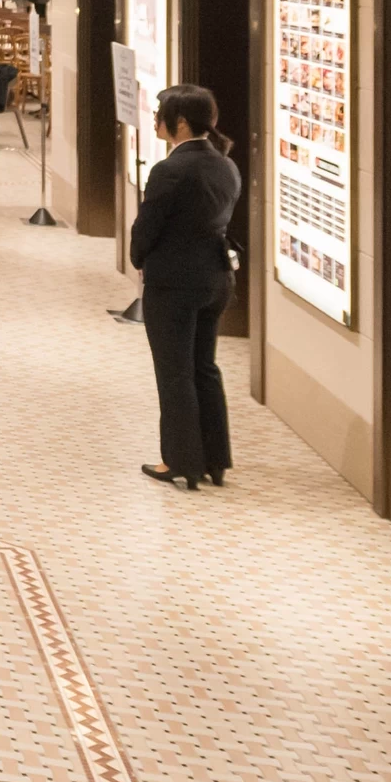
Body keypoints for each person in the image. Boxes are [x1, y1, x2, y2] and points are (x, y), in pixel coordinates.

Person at [134, 85, 242, 490]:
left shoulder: (170, 170)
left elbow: (147, 227)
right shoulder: (225, 165)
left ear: (180, 122)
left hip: (174, 282)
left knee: (174, 372)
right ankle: (215, 459)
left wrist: (139, 258)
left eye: (160, 112)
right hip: (215, 278)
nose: (155, 118)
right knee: (204, 366)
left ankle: (180, 461)